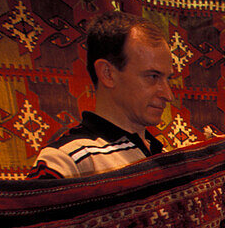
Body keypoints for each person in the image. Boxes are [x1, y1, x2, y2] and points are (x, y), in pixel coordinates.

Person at [28, 12, 174, 179]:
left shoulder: (164, 155)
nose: (168, 95)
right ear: (107, 74)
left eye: (167, 78)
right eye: (153, 76)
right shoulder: (66, 161)